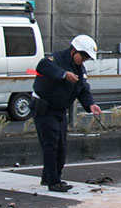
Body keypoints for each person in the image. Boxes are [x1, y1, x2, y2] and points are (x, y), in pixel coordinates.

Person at [33, 34, 102, 192]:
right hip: (44, 108)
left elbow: (83, 89)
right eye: (83, 56)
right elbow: (42, 66)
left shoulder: (79, 69)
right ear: (74, 51)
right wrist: (64, 75)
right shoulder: (56, 59)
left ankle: (49, 176)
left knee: (61, 146)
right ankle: (54, 181)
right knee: (51, 145)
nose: (84, 60)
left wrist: (90, 104)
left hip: (60, 109)